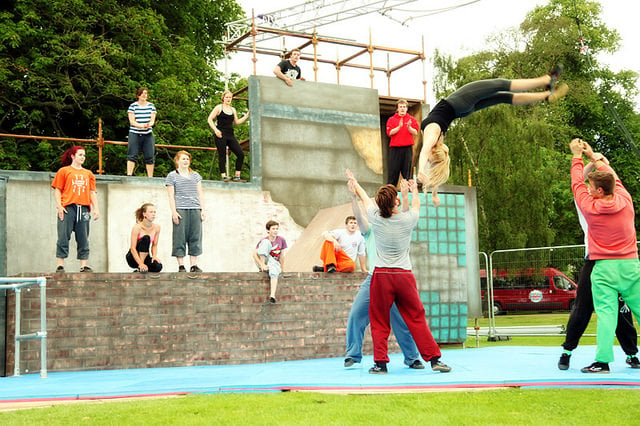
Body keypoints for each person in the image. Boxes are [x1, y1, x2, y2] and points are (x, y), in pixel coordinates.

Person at [347, 169, 451, 374]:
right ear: (395, 204)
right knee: (416, 318)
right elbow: (415, 206)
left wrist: (354, 184)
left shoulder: (375, 218)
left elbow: (365, 200)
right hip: (404, 275)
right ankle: (435, 360)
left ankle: (381, 364)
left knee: (379, 320)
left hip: (382, 275)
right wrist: (411, 192)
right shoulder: (408, 220)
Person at [418, 66, 569, 207]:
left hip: (462, 111)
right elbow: (424, 153)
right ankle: (546, 80)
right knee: (500, 84)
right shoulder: (432, 135)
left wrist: (434, 195)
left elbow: (435, 169)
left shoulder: (437, 149)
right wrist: (420, 171)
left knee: (503, 97)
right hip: (458, 103)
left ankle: (545, 95)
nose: (429, 163)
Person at [558, 150, 639, 370]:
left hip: (603, 266)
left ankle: (603, 361)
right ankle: (572, 351)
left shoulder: (589, 206)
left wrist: (576, 155)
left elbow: (577, 183)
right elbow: (612, 175)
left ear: (599, 190)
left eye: (593, 188)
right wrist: (594, 157)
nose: (589, 190)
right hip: (631, 265)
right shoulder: (625, 198)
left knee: (606, 316)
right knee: (634, 310)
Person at [344, 178, 424, 370]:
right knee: (356, 314)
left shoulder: (392, 221)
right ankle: (353, 354)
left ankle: (412, 357)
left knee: (400, 321)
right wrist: (353, 196)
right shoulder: (372, 226)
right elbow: (360, 213)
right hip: (375, 278)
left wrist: (405, 194)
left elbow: (404, 211)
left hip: (393, 277)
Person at [51, 146, 100, 272]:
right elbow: (58, 189)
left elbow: (92, 192)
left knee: (83, 237)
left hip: (83, 208)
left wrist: (96, 208)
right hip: (68, 207)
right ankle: (60, 265)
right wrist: (60, 206)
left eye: (84, 155)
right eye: (80, 155)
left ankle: (83, 265)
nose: (83, 157)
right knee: (63, 236)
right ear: (73, 156)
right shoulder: (64, 171)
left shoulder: (88, 173)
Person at [166, 150, 205, 273]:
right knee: (180, 237)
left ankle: (194, 265)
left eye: (187, 159)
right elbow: (171, 195)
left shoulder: (195, 176)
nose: (186, 161)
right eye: (183, 159)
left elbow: (200, 193)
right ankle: (181, 265)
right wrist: (174, 211)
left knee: (195, 237)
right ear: (177, 160)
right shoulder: (172, 176)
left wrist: (202, 209)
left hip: (195, 208)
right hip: (181, 209)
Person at [207, 90, 250, 182]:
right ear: (223, 98)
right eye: (227, 97)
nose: (228, 99)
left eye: (230, 97)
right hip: (220, 134)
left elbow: (237, 122)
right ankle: (224, 176)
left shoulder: (233, 109)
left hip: (230, 135)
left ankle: (237, 176)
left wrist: (246, 116)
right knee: (222, 155)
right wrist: (216, 130)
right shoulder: (219, 107)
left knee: (240, 154)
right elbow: (210, 119)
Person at [253, 220, 287, 304]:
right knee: (266, 243)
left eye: (277, 229)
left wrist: (282, 269)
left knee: (274, 269)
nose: (275, 230)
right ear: (268, 230)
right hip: (263, 261)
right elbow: (254, 254)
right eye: (273, 229)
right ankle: (263, 268)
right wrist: (262, 264)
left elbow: (282, 256)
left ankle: (272, 295)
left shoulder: (281, 240)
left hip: (274, 263)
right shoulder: (264, 240)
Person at [386, 99, 419, 185]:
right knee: (393, 174)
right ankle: (390, 195)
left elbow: (415, 132)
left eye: (404, 107)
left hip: (407, 149)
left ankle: (407, 194)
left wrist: (409, 127)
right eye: (400, 107)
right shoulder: (391, 119)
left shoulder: (411, 119)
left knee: (407, 175)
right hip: (395, 149)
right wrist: (398, 127)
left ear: (407, 108)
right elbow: (389, 132)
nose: (402, 109)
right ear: (397, 109)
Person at [127, 87, 157, 177]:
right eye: (142, 93)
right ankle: (129, 175)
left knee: (149, 155)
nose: (144, 95)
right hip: (134, 133)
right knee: (132, 155)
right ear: (138, 95)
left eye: (146, 93)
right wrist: (141, 126)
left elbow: (152, 120)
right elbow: (132, 121)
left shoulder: (151, 106)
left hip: (148, 134)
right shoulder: (133, 106)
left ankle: (150, 177)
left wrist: (148, 125)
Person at [126, 203, 163, 273]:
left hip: (145, 256)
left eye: (154, 212)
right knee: (146, 238)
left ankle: (142, 269)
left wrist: (154, 256)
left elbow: (154, 245)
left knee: (158, 266)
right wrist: (140, 263)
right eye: (151, 212)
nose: (153, 214)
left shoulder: (157, 228)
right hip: (133, 257)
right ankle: (141, 268)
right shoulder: (137, 227)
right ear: (144, 214)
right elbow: (132, 248)